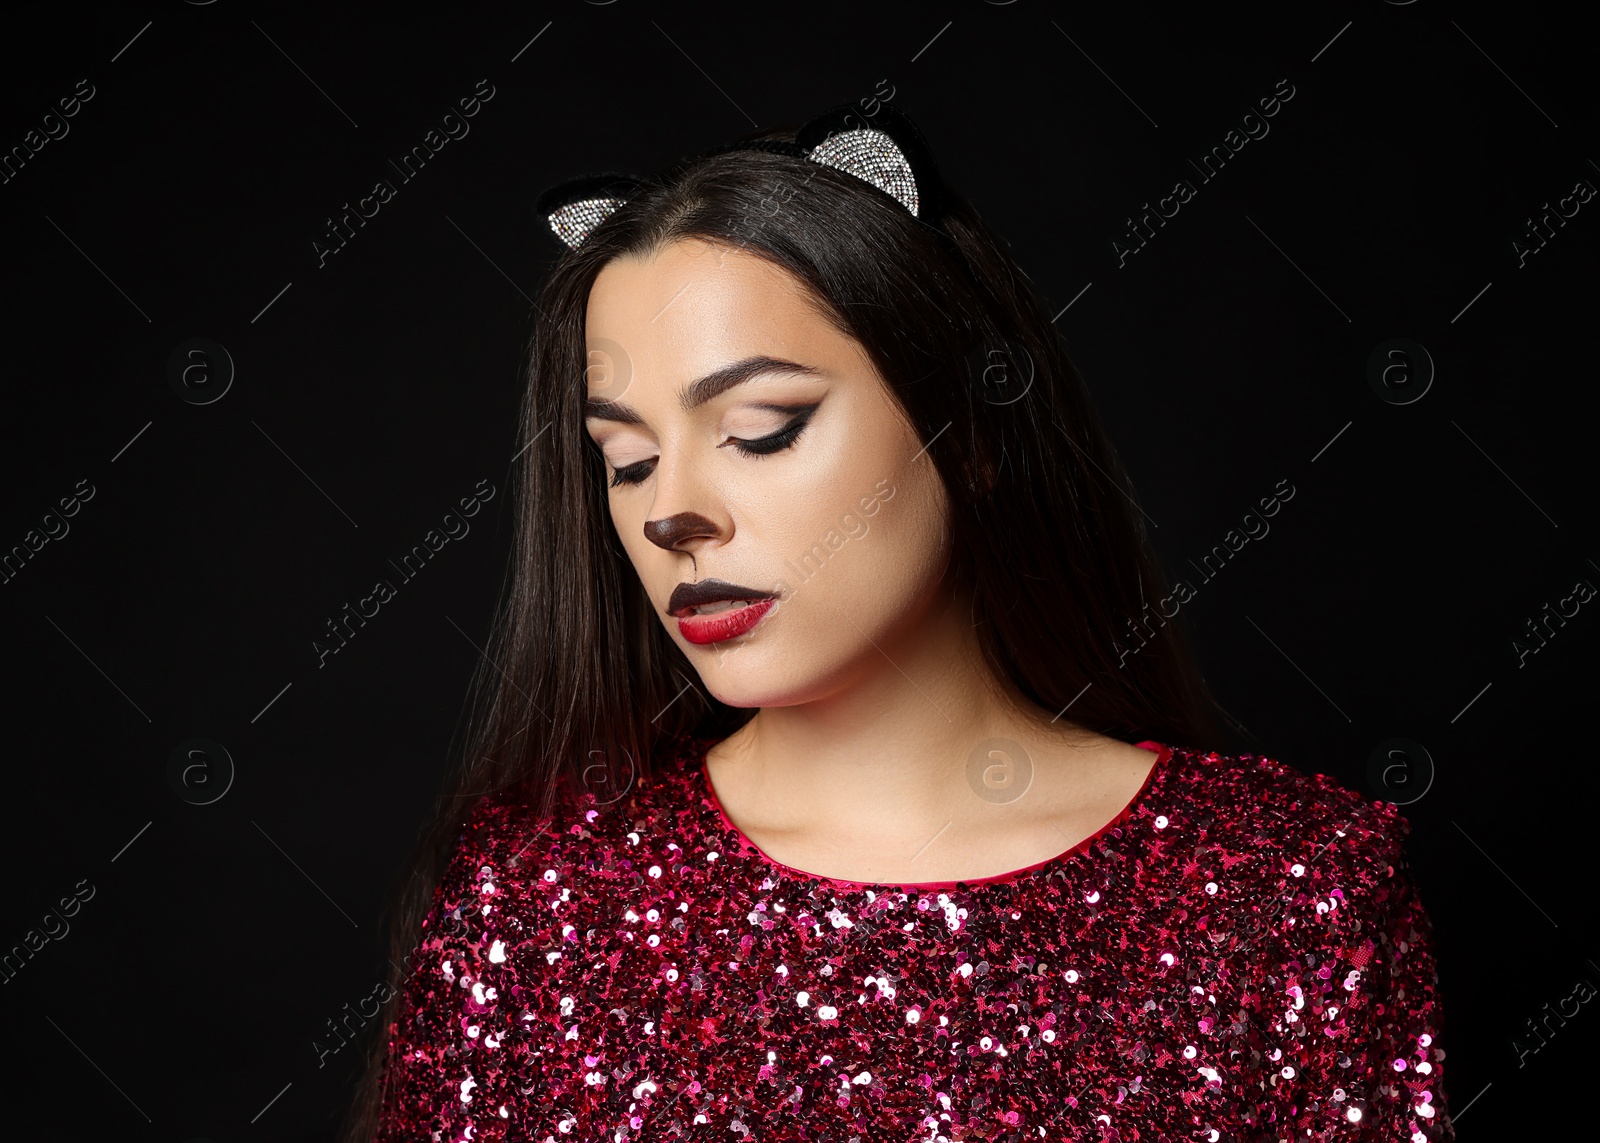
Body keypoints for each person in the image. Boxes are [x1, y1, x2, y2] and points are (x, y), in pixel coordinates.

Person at [342, 100, 1454, 1142]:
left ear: (968, 428)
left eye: (763, 428)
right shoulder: (532, 909)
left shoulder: (1290, 891)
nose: (671, 509)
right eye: (624, 460)